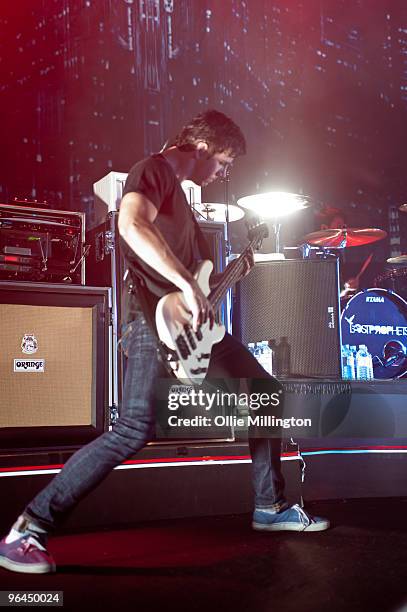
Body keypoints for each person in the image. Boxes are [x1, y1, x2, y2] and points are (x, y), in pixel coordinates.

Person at [0, 109, 329, 575]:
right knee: (134, 429)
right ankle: (27, 529)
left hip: (193, 330)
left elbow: (196, 285)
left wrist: (227, 275)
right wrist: (188, 284)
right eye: (227, 161)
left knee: (264, 395)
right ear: (206, 145)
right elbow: (132, 225)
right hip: (155, 325)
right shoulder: (153, 169)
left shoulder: (180, 196)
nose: (225, 173)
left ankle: (270, 507)